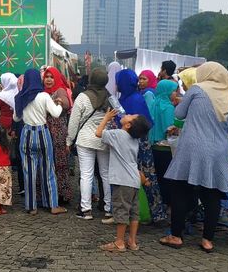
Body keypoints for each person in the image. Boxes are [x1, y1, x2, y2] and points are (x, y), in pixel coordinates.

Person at [160, 62, 228, 253]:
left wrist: (180, 101)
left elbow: (179, 113)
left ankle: (176, 235)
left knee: (180, 189)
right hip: (218, 149)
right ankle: (208, 240)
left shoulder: (197, 89)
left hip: (193, 147)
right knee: (212, 194)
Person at [96, 109, 152, 252]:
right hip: (134, 180)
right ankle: (132, 241)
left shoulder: (118, 135)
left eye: (131, 115)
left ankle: (119, 242)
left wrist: (106, 118)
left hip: (122, 180)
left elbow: (98, 133)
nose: (127, 114)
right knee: (134, 212)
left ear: (128, 125)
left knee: (121, 211)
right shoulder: (135, 140)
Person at [14, 69, 67, 215]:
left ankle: (31, 207)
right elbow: (56, 113)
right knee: (48, 169)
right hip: (42, 133)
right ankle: (52, 205)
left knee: (29, 171)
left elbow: (16, 118)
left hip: (27, 134)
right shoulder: (44, 96)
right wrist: (60, 104)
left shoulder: (20, 96)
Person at [117, 69, 166, 223]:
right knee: (142, 176)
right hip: (139, 143)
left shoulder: (133, 100)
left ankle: (152, 213)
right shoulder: (132, 98)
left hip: (137, 143)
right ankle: (145, 213)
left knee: (144, 177)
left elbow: (144, 123)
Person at [67, 67, 111, 221]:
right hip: (104, 139)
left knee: (86, 174)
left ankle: (86, 209)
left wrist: (69, 140)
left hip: (85, 139)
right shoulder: (109, 97)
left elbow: (74, 122)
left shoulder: (83, 97)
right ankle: (109, 208)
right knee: (105, 174)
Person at [42, 66, 73, 205]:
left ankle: (62, 193)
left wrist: (55, 102)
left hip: (58, 131)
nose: (48, 80)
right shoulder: (42, 92)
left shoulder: (59, 90)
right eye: (46, 77)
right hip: (46, 129)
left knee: (60, 163)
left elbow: (65, 104)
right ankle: (49, 192)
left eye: (51, 77)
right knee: (48, 162)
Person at [148, 79, 180, 206]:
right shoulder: (168, 108)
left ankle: (158, 205)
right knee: (167, 180)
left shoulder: (154, 104)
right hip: (166, 149)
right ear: (167, 92)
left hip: (154, 147)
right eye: (173, 91)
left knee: (159, 178)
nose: (175, 94)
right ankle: (167, 205)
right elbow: (170, 130)